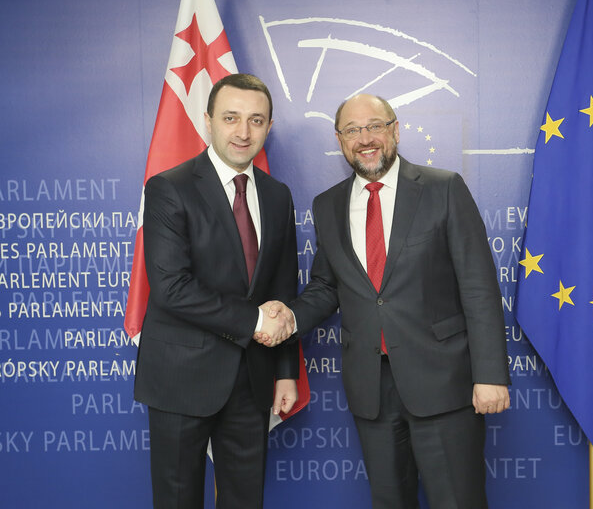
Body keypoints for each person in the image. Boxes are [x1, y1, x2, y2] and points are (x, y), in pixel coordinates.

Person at [263, 94, 511, 508]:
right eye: (353, 130)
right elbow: (326, 288)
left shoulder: (443, 187)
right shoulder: (327, 205)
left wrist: (490, 374)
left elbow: (479, 287)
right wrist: (288, 314)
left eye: (375, 126)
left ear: (395, 130)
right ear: (340, 140)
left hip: (444, 383)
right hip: (370, 389)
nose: (365, 138)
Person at [134, 73, 299, 509]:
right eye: (231, 118)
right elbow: (171, 288)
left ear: (268, 126)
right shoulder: (170, 187)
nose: (243, 132)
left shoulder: (278, 196)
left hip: (253, 377)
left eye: (256, 120)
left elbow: (282, 289)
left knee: (246, 500)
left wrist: (286, 369)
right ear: (208, 121)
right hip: (180, 377)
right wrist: (255, 320)